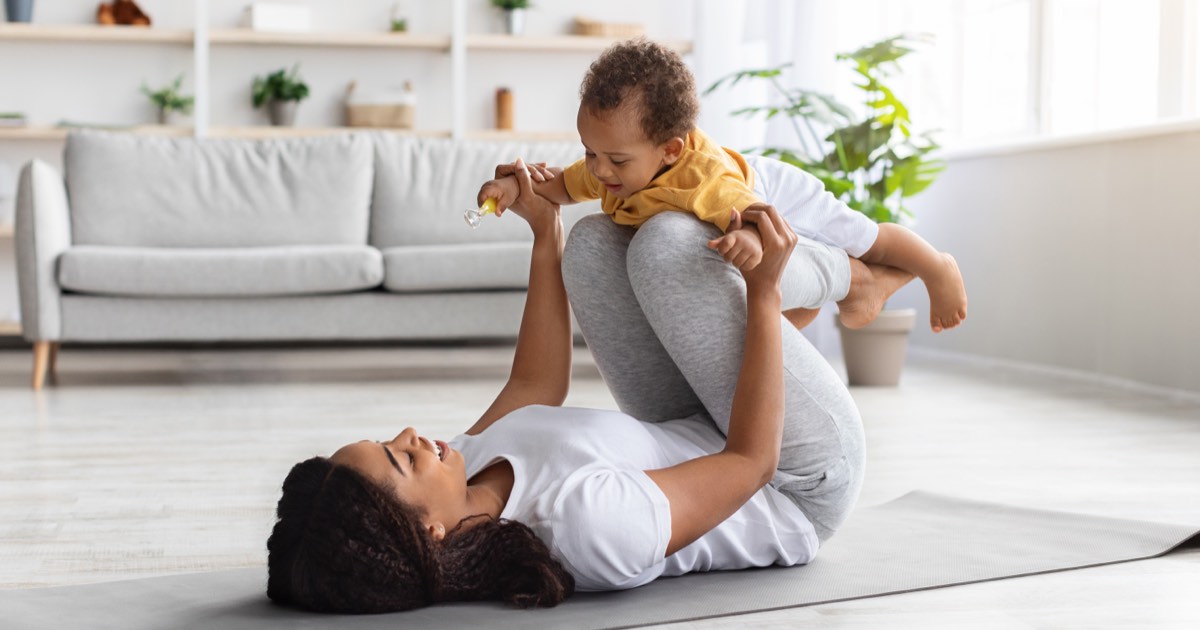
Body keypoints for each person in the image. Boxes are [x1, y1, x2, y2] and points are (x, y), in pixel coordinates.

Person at [267, 159, 882, 613]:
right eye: (400, 458)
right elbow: (751, 461)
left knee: (588, 246)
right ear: (429, 531)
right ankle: (858, 278)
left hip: (701, 425)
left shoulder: (467, 471)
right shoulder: (586, 528)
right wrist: (765, 290)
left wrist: (544, 230)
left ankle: (824, 296)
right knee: (669, 248)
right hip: (794, 480)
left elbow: (536, 381)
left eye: (387, 439)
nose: (408, 434)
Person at [477, 38, 967, 333]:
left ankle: (934, 265)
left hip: (769, 188)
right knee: (756, 323)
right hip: (739, 195)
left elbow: (753, 211)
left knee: (863, 236)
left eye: (616, 159)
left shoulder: (702, 181)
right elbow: (563, 187)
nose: (600, 171)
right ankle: (842, 297)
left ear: (670, 150)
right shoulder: (610, 171)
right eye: (590, 152)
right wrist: (520, 188)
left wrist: (748, 236)